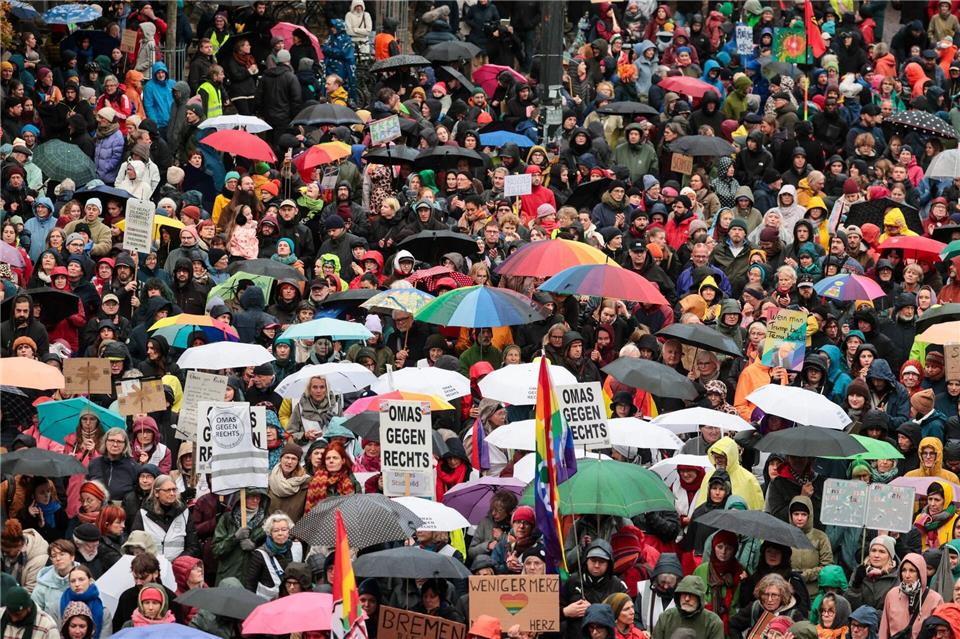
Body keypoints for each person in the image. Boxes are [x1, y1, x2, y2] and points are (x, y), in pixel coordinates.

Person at [243, 513, 308, 600]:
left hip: (293, 599)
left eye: (284, 529)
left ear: (289, 531)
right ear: (270, 533)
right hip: (267, 602)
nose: (280, 533)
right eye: (276, 530)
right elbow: (250, 583)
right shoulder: (259, 554)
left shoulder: (297, 547)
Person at [651, 575, 724, 639]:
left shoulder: (713, 622)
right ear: (678, 596)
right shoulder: (666, 617)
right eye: (683, 594)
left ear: (700, 598)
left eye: (691, 595)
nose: (687, 599)